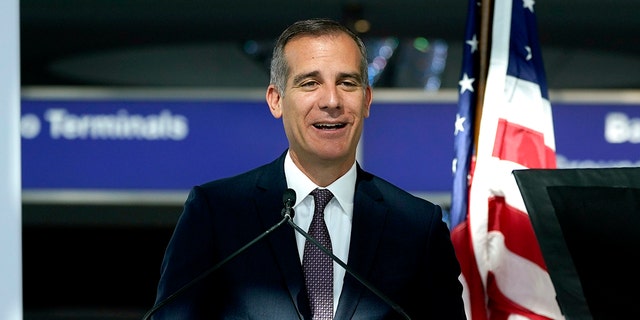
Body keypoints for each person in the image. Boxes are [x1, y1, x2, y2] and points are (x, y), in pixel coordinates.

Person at [149, 18, 466, 319]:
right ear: (276, 100)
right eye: (310, 82)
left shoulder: (417, 226)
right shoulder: (215, 212)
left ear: (367, 99)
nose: (331, 100)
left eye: (347, 82)